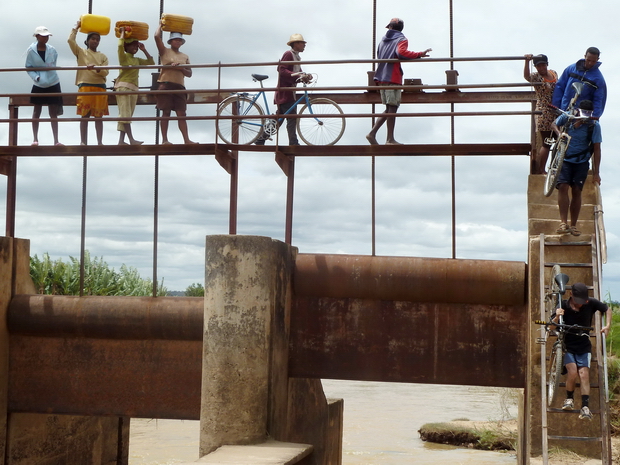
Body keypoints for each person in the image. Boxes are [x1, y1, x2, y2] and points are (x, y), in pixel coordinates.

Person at [366, 18, 431, 145]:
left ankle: (373, 134)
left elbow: (380, 55)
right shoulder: (401, 39)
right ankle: (387, 139)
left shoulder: (382, 41)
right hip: (393, 77)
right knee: (392, 107)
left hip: (381, 77)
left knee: (390, 107)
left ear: (390, 27)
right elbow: (401, 53)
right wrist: (419, 54)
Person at [552, 282, 611, 420]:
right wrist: (556, 317)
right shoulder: (563, 305)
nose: (580, 304)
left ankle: (585, 407)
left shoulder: (590, 303)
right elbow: (551, 328)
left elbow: (607, 309)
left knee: (584, 374)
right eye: (578, 302)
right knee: (572, 372)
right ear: (571, 295)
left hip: (584, 345)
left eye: (583, 302)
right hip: (569, 346)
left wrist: (607, 325)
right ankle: (569, 399)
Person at [551, 100, 601, 236]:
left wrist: (597, 173)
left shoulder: (594, 125)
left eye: (588, 114)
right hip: (565, 159)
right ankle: (563, 222)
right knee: (563, 186)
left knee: (577, 190)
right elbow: (554, 124)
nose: (585, 117)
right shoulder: (568, 117)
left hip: (581, 161)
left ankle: (573, 225)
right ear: (578, 110)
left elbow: (597, 148)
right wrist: (558, 133)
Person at [256, 33, 312, 146]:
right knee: (291, 118)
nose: (304, 45)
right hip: (285, 92)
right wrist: (297, 76)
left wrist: (304, 77)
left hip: (288, 92)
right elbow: (282, 70)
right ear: (295, 44)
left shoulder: (296, 56)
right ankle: (293, 142)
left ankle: (261, 138)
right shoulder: (288, 54)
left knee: (280, 117)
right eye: (302, 43)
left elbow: (297, 73)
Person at [154, 22, 196, 145]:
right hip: (166, 83)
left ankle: (186, 140)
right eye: (175, 40)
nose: (177, 42)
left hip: (179, 86)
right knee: (165, 112)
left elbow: (189, 73)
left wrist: (181, 68)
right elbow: (156, 37)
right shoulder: (164, 51)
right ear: (170, 41)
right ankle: (165, 140)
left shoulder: (185, 56)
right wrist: (160, 25)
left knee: (181, 113)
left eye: (179, 40)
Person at [68, 20, 109, 145]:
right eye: (93, 39)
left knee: (98, 117)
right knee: (84, 115)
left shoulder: (103, 56)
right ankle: (83, 141)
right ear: (87, 40)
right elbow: (70, 41)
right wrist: (76, 27)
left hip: (99, 87)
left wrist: (97, 68)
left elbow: (106, 71)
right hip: (85, 85)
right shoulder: (81, 52)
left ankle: (100, 142)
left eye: (97, 39)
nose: (95, 41)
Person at [115, 27, 154, 145]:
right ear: (126, 47)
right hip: (123, 87)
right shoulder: (124, 57)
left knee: (127, 115)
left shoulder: (137, 60)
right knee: (125, 114)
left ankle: (121, 140)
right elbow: (119, 47)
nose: (135, 48)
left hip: (133, 89)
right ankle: (131, 139)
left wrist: (144, 50)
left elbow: (151, 63)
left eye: (136, 46)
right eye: (133, 46)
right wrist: (122, 33)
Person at [26, 26, 64, 147]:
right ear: (37, 36)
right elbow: (28, 67)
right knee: (37, 111)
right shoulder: (31, 51)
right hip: (38, 83)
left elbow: (54, 62)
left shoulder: (52, 49)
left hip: (53, 82)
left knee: (53, 112)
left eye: (47, 36)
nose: (46, 38)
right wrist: (36, 77)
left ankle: (56, 140)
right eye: (43, 36)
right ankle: (35, 139)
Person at [524, 54, 557, 174]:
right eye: (538, 66)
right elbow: (527, 76)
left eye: (543, 64)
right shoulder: (536, 76)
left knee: (559, 140)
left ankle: (557, 168)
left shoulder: (553, 73)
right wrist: (526, 61)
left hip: (556, 110)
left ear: (547, 64)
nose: (541, 68)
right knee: (547, 141)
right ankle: (542, 170)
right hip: (544, 110)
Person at [552, 47, 606, 120]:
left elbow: (599, 100)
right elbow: (560, 87)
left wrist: (594, 117)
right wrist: (556, 106)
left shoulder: (599, 79)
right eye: (588, 60)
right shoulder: (571, 69)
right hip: (564, 111)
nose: (590, 63)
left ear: (597, 60)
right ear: (585, 56)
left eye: (593, 61)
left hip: (581, 117)